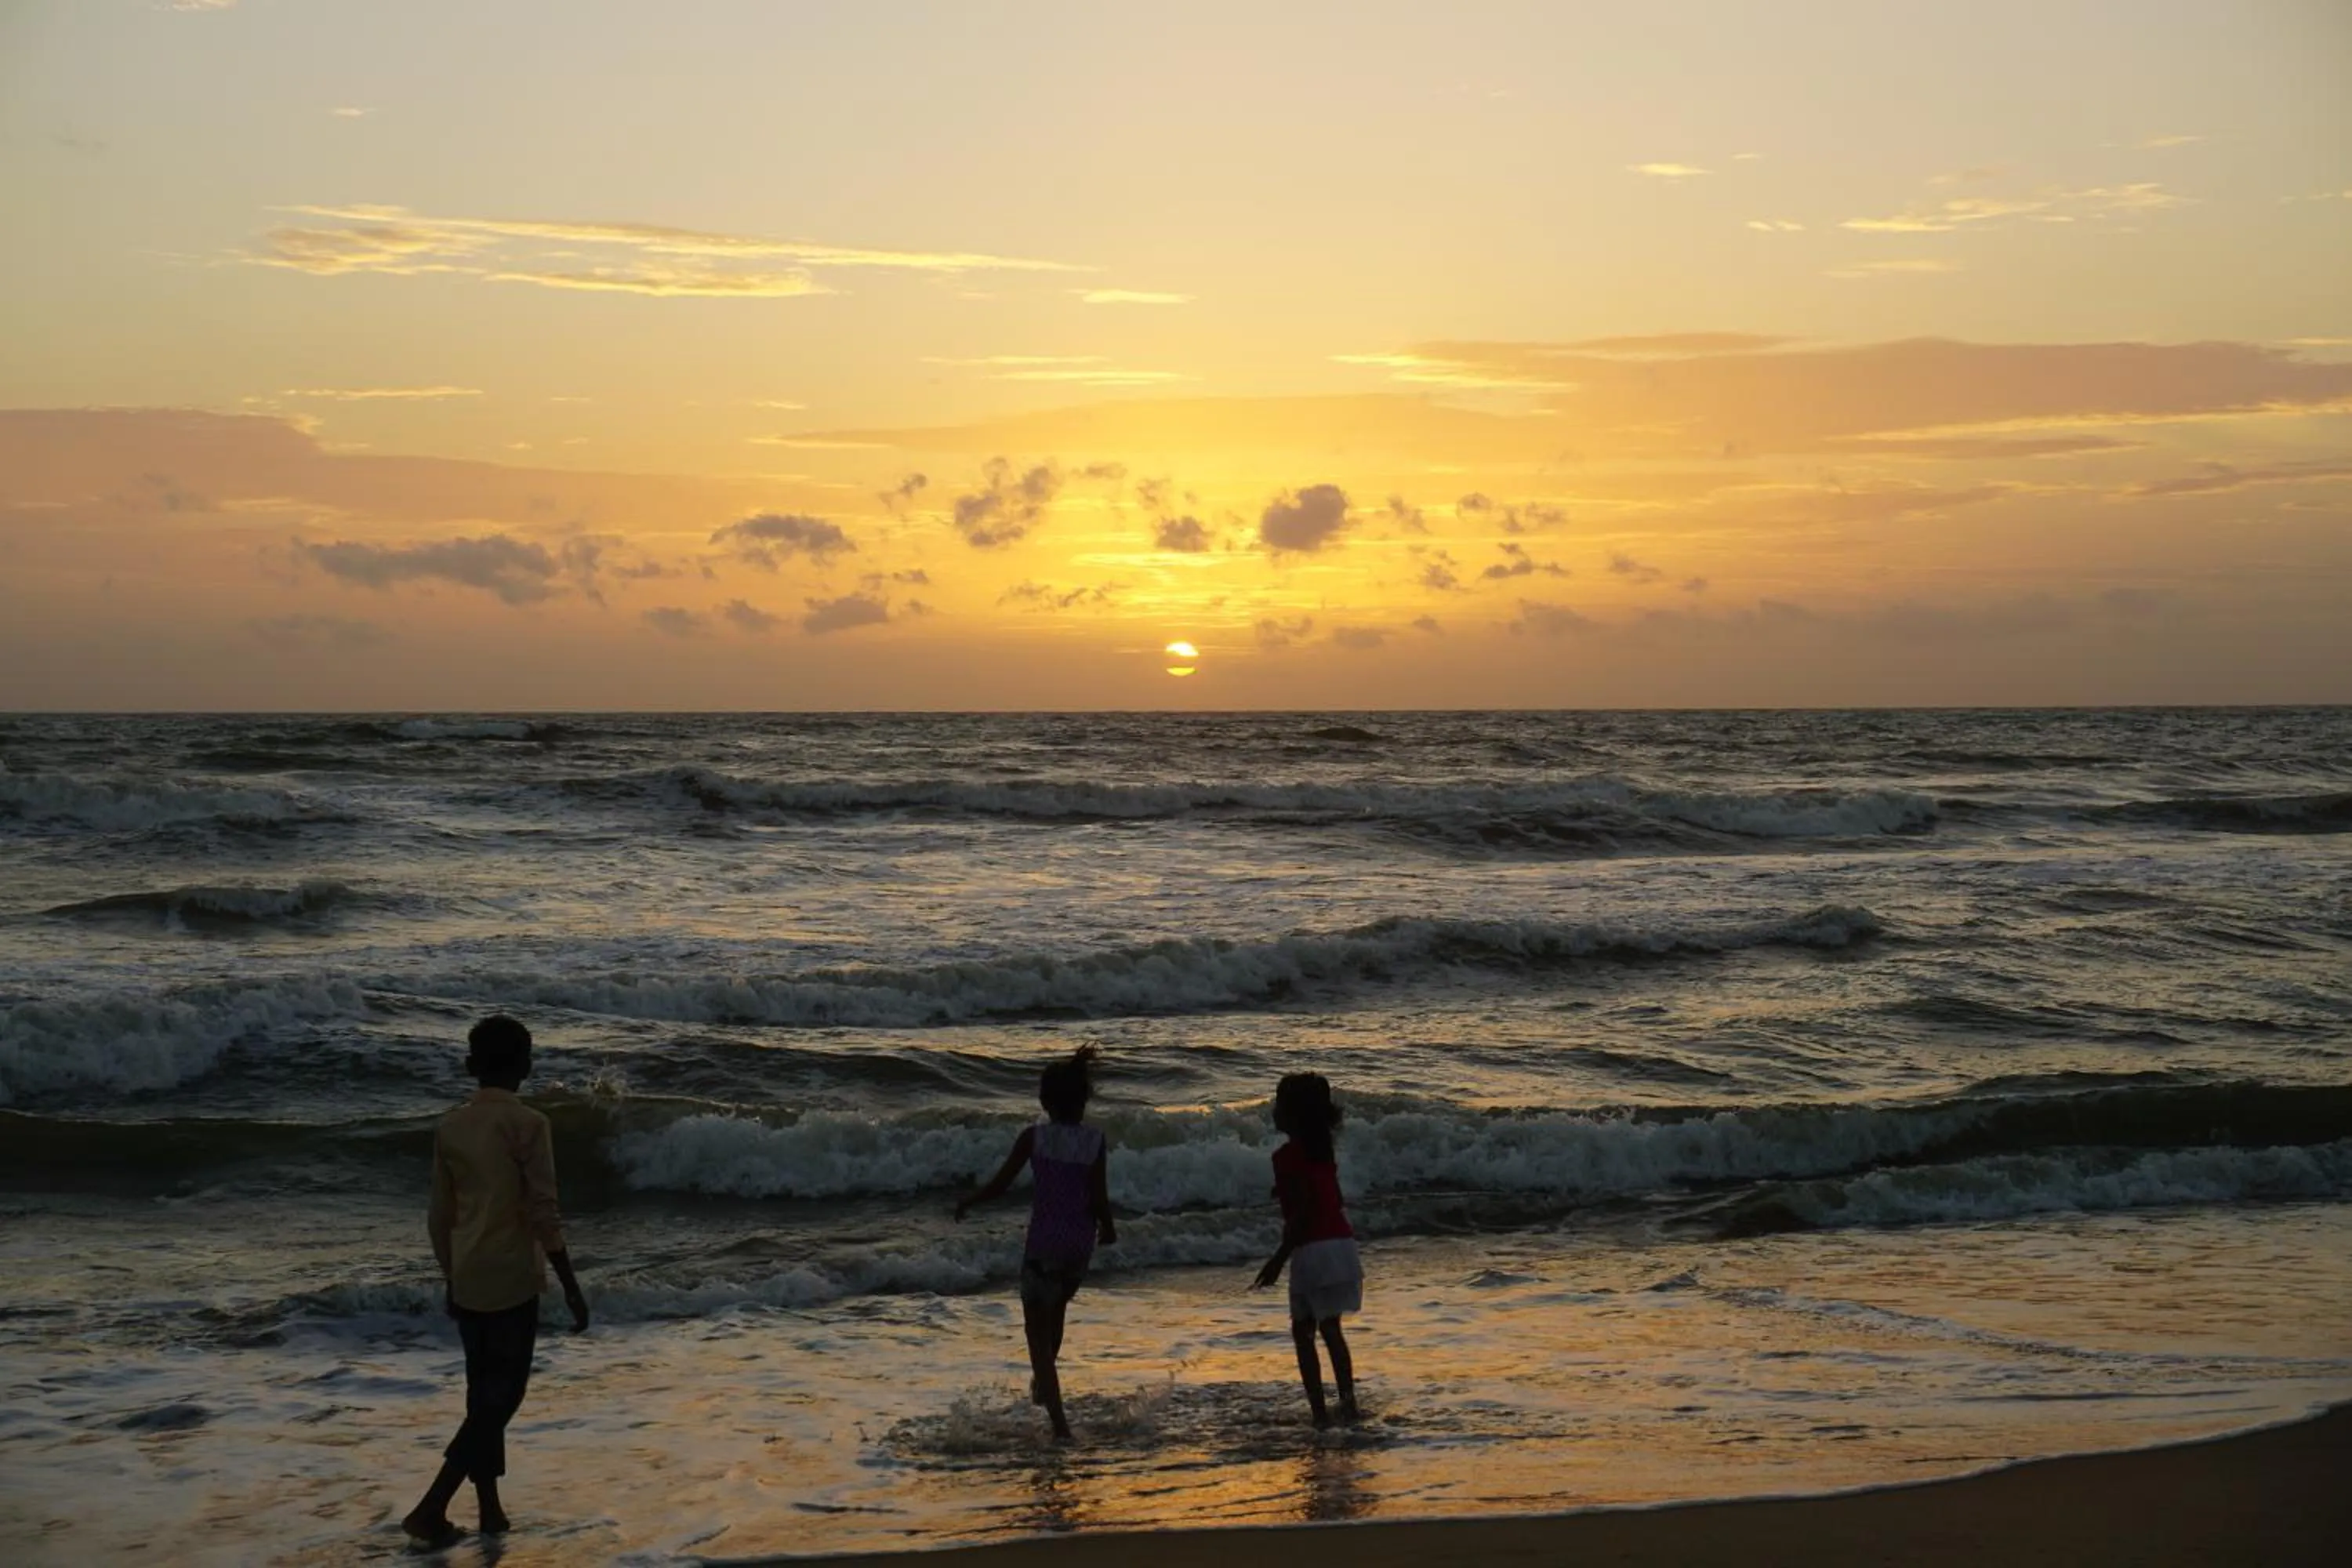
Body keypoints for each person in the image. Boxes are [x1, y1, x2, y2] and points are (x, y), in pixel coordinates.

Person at [403, 1014, 590, 1548]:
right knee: (501, 1400)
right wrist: (571, 1285)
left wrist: (451, 1275)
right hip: (511, 1277)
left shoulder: (451, 1126)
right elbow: (544, 1212)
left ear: (470, 1066)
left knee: (481, 1396)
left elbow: (440, 1216)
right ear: (527, 1067)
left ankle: (490, 1510)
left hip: (469, 1274)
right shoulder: (529, 1125)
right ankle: (432, 1505)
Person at [954, 1044, 1116, 1441]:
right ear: (1083, 1102)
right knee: (1055, 1312)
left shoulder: (1034, 1138)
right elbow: (1098, 1196)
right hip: (1079, 1244)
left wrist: (970, 1200)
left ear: (1044, 1102)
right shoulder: (1094, 1141)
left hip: (1043, 1245)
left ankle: (1060, 1424)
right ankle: (1045, 1381)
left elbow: (1002, 1183)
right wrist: (1109, 1229)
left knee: (1034, 1331)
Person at [1253, 1072, 1362, 1428]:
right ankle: (1348, 1403)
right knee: (1331, 1329)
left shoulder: (1285, 1156)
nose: (1274, 1110)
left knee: (1303, 1333)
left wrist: (1277, 1260)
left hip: (1313, 1251)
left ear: (1292, 1115)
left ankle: (1319, 1413)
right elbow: (1327, 1196)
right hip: (1342, 1245)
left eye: (1279, 1104)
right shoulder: (1322, 1151)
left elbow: (1301, 1215)